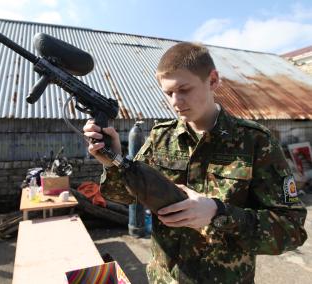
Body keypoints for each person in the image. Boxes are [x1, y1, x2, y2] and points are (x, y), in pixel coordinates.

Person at [83, 42, 307, 283]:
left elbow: (291, 229)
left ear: (212, 80)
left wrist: (217, 214)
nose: (175, 101)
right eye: (168, 93)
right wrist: (112, 161)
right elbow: (128, 197)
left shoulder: (255, 141)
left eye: (184, 89)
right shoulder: (161, 137)